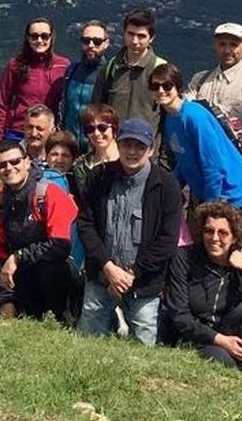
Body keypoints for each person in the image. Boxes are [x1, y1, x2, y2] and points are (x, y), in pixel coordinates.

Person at [76, 117, 181, 345]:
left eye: (139, 146)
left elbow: (168, 241)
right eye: (127, 144)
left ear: (151, 150)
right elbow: (85, 224)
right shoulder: (98, 177)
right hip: (101, 275)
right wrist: (108, 267)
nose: (132, 152)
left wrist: (132, 273)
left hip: (144, 282)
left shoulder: (167, 185)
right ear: (118, 144)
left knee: (144, 348)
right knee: (86, 344)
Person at [166, 201, 242, 370]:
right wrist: (221, 340)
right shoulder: (184, 259)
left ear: (234, 237)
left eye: (223, 233)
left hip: (235, 328)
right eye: (208, 231)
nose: (214, 238)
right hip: (201, 336)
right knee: (222, 360)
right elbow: (180, 316)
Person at [150, 63, 242, 241]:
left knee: (236, 253)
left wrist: (210, 210)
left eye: (167, 85)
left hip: (233, 197)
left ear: (178, 87)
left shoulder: (194, 116)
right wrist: (167, 190)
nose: (161, 91)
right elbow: (184, 162)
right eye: (155, 86)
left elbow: (214, 167)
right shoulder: (170, 120)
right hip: (209, 196)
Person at [0, 139, 78, 320]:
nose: (9, 168)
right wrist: (5, 301)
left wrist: (18, 256)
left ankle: (61, 317)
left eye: (15, 161)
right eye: (1, 165)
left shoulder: (49, 192)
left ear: (27, 162)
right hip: (19, 277)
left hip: (53, 274)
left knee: (51, 270)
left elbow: (60, 244)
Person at [0, 17, 70, 141]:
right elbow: (3, 102)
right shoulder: (15, 65)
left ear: (51, 38)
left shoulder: (63, 66)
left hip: (49, 134)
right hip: (18, 132)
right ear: (28, 38)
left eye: (44, 36)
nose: (39, 40)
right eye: (34, 36)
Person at [186, 22, 242, 135]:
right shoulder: (199, 79)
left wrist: (200, 110)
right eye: (222, 44)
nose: (227, 50)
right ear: (215, 46)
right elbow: (185, 111)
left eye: (233, 45)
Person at [91, 8, 167, 127]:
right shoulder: (110, 68)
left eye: (141, 36)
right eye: (130, 34)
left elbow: (169, 112)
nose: (135, 41)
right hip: (114, 138)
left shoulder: (160, 69)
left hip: (147, 139)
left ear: (151, 38)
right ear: (124, 33)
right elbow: (96, 109)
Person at [59, 20, 110, 151]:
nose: (91, 45)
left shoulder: (110, 73)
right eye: (86, 41)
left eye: (97, 41)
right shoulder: (71, 70)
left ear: (106, 44)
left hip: (96, 147)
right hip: (68, 146)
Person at [71, 103, 119, 194]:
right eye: (90, 129)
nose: (96, 133)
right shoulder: (81, 167)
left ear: (114, 129)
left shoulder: (128, 158)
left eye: (102, 127)